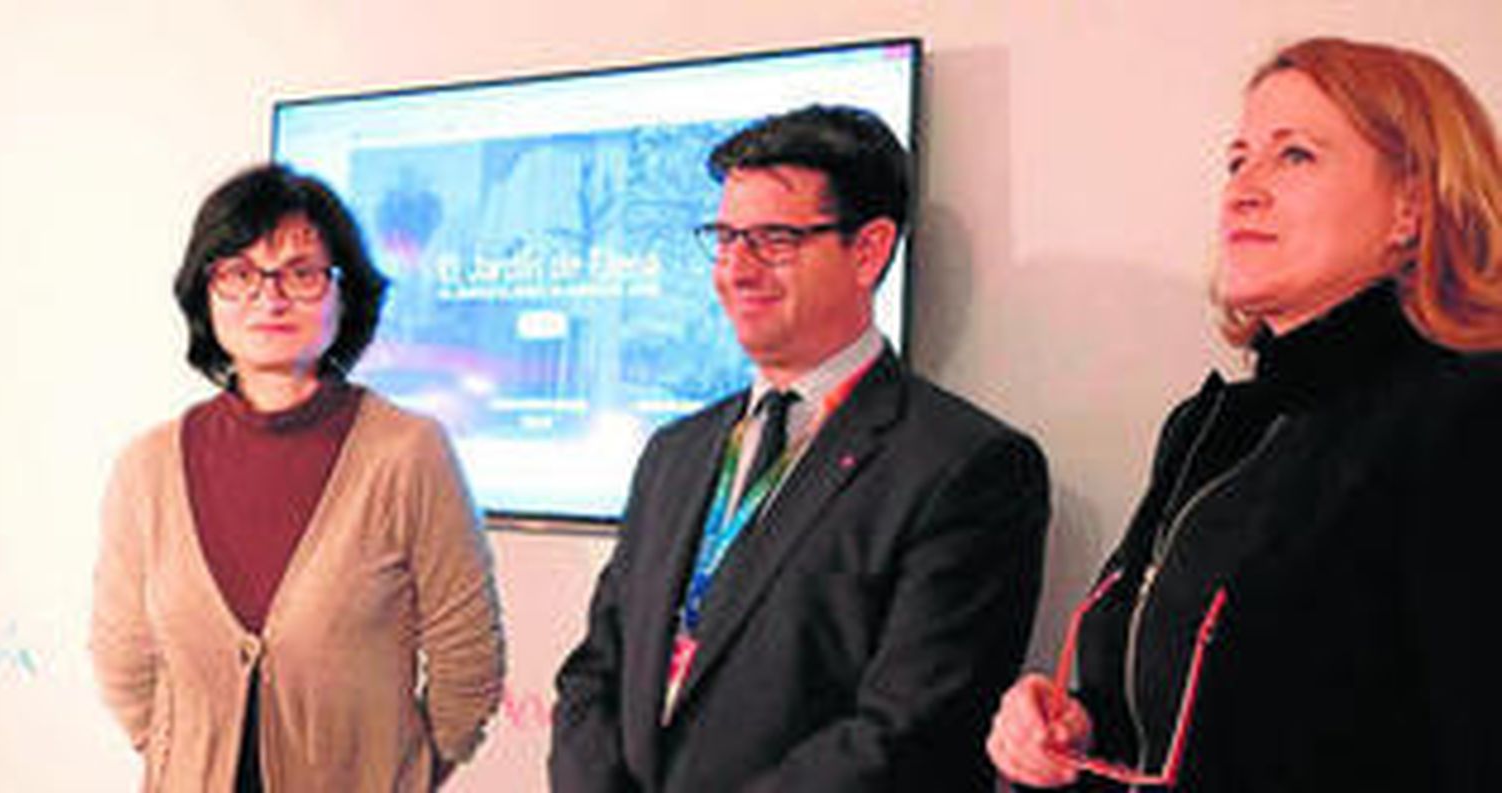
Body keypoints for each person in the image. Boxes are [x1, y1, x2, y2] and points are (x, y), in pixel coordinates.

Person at [986, 36, 1502, 792]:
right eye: (1237, 161)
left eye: (1295, 156)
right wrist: (1074, 726)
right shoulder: (1206, 428)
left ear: (1411, 207)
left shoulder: (1469, 419)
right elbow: (1173, 717)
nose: (1242, 192)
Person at [550, 104, 1051, 792]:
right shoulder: (674, 452)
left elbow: (909, 733)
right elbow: (595, 672)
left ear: (868, 250)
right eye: (726, 238)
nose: (737, 269)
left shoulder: (966, 466)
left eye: (774, 240)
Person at [89, 164, 505, 792]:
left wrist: (400, 774)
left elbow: (467, 661)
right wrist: (185, 757)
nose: (269, 297)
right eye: (239, 273)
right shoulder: (148, 466)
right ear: (205, 293)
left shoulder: (408, 453)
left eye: (302, 273)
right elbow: (123, 657)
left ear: (345, 293)